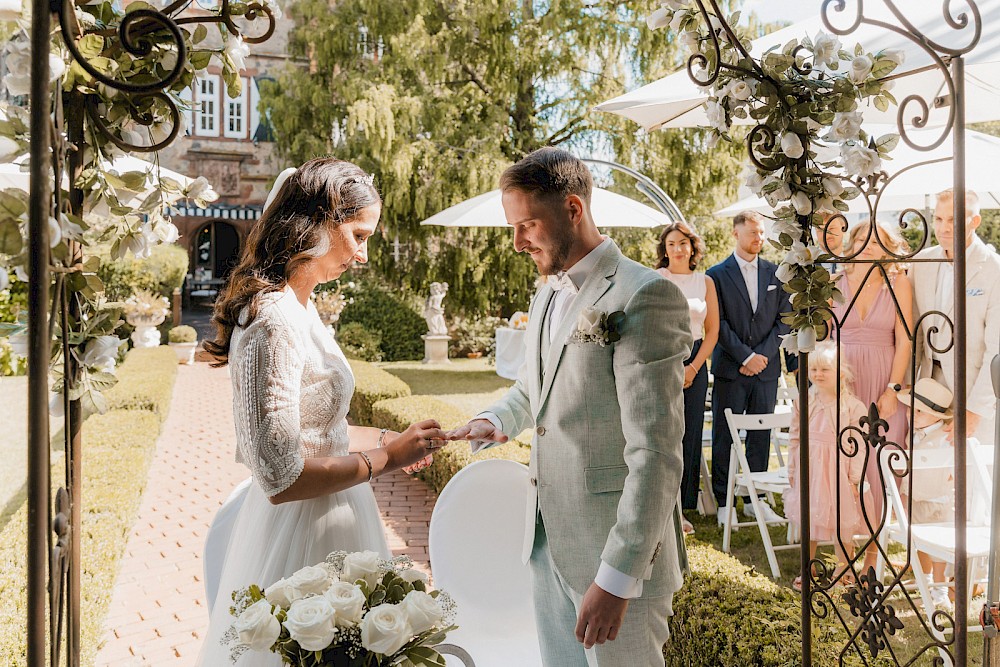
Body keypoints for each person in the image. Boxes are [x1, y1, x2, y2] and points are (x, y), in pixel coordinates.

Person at [448, 147, 691, 666]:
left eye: (528, 225)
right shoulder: (545, 293)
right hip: (546, 547)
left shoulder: (645, 295)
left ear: (573, 210)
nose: (517, 243)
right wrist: (493, 420)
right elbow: (535, 388)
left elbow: (657, 455)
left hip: (614, 561)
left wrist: (617, 578)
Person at [197, 158, 444, 666]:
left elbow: (316, 427)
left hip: (340, 514)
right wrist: (387, 459)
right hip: (299, 532)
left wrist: (389, 436)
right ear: (315, 224)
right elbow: (281, 478)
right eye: (358, 235)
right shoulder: (271, 320)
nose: (364, 255)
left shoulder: (301, 307)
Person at [706, 210, 795, 527]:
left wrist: (762, 356)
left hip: (767, 370)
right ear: (736, 233)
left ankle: (755, 499)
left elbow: (785, 320)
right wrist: (745, 357)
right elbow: (718, 324)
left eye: (761, 233)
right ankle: (725, 501)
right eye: (753, 232)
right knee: (724, 437)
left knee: (760, 436)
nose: (759, 238)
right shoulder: (715, 274)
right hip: (732, 369)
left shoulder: (776, 273)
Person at [832, 219, 912, 570]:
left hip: (883, 379)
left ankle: (872, 558)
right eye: (862, 238)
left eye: (877, 240)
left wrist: (894, 388)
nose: (869, 245)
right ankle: (842, 552)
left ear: (889, 246)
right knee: (844, 462)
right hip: (843, 380)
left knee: (879, 466)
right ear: (851, 244)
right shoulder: (835, 281)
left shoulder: (898, 283)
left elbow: (906, 338)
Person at [910, 188, 1000, 447]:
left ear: (975, 221)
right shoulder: (921, 263)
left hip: (972, 391)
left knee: (971, 482)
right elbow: (913, 334)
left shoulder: (994, 269)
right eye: (939, 219)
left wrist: (977, 409)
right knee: (928, 476)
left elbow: (996, 350)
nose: (944, 228)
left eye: (953, 220)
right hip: (927, 391)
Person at [783, 343, 867, 592]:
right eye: (814, 369)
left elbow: (858, 444)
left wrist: (854, 477)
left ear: (841, 372)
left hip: (839, 470)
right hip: (810, 469)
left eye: (825, 369)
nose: (818, 374)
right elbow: (795, 436)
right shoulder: (804, 402)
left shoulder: (852, 407)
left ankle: (844, 569)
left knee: (842, 521)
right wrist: (792, 468)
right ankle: (807, 567)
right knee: (809, 518)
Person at [654, 222, 720, 535]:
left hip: (696, 360)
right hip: (664, 357)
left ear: (692, 247)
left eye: (683, 243)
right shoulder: (657, 278)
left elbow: (714, 332)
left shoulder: (704, 281)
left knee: (689, 434)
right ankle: (660, 505)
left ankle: (682, 507)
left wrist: (693, 367)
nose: (678, 249)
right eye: (671, 244)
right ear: (664, 249)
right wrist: (673, 365)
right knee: (665, 435)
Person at [897, 377, 959, 610]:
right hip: (916, 498)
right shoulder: (913, 434)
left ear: (937, 416)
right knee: (919, 541)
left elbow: (954, 466)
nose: (912, 415)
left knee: (938, 546)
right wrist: (904, 495)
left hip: (937, 501)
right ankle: (926, 581)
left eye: (920, 412)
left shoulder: (945, 437)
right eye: (911, 410)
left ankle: (941, 588)